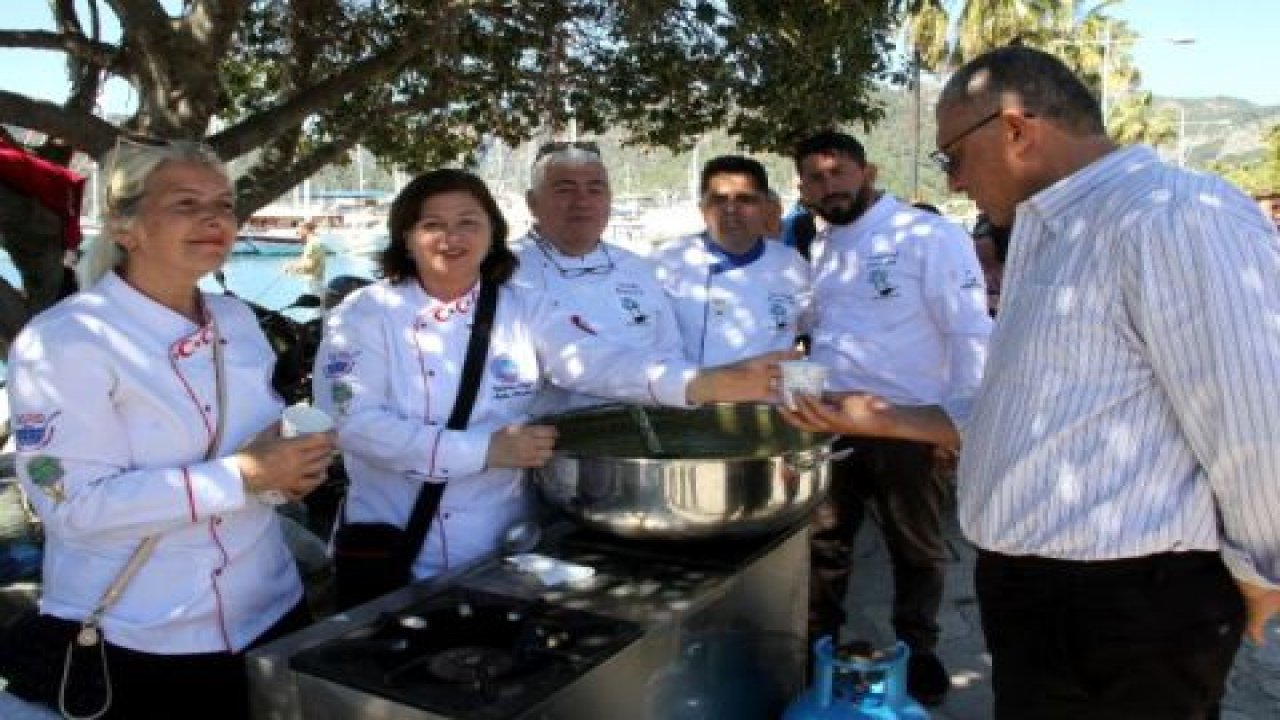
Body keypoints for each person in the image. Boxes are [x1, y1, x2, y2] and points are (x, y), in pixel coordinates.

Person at [785, 46, 1280, 719]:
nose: (955, 181)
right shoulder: (1050, 231)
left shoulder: (1173, 215)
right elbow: (1026, 406)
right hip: (1038, 598)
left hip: (1132, 609)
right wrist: (881, 417)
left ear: (1016, 130)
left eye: (953, 157)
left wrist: (1261, 571)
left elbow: (1254, 419)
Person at [314, 169, 781, 605]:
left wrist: (705, 383)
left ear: (492, 233)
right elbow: (354, 425)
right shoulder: (365, 313)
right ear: (406, 236)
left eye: (468, 223)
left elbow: (598, 362)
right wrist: (484, 450)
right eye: (432, 224)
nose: (452, 238)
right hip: (396, 550)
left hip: (498, 551)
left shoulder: (523, 307)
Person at [4, 139, 335, 718]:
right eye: (186, 203)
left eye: (224, 204)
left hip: (271, 611)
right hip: (143, 638)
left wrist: (287, 475)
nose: (214, 219)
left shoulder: (236, 320)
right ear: (124, 226)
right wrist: (242, 477)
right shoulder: (64, 341)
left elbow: (257, 450)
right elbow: (73, 506)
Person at [793, 130, 992, 707]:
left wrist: (958, 423)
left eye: (839, 172)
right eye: (815, 178)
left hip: (908, 424)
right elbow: (817, 326)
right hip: (834, 423)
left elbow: (969, 332)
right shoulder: (822, 244)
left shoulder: (927, 234)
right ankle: (818, 649)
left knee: (917, 548)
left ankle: (918, 649)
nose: (829, 186)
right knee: (825, 546)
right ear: (803, 187)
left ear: (869, 171)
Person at [510, 141, 686, 415]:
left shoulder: (636, 267)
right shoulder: (507, 270)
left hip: (642, 427)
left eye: (595, 190)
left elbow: (670, 352)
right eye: (565, 190)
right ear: (532, 203)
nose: (582, 201)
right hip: (545, 432)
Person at [651, 155, 811, 365]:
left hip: (773, 386)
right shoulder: (666, 263)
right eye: (719, 200)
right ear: (702, 209)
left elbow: (813, 327)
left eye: (744, 199)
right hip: (693, 385)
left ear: (765, 207)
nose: (731, 210)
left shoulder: (791, 264)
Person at [285, 219, 327, 299]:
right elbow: (310, 263)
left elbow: (310, 267)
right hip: (317, 282)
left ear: (305, 229)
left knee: (313, 306)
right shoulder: (317, 242)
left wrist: (292, 268)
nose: (297, 233)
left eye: (298, 230)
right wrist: (293, 265)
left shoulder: (312, 245)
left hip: (313, 285)